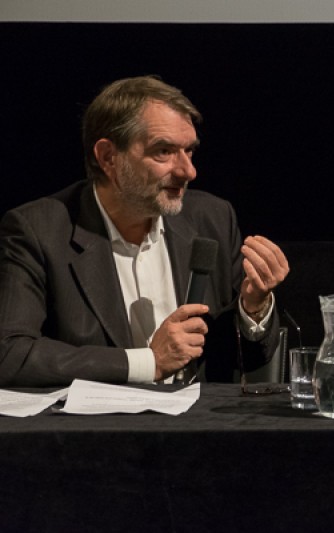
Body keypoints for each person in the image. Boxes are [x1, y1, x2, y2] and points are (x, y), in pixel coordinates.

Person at [0, 76, 289, 387]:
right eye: (163, 151)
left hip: (203, 427)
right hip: (97, 430)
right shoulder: (38, 230)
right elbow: (11, 354)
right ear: (109, 157)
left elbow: (243, 359)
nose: (188, 171)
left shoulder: (213, 219)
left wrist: (253, 309)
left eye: (189, 151)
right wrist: (148, 361)